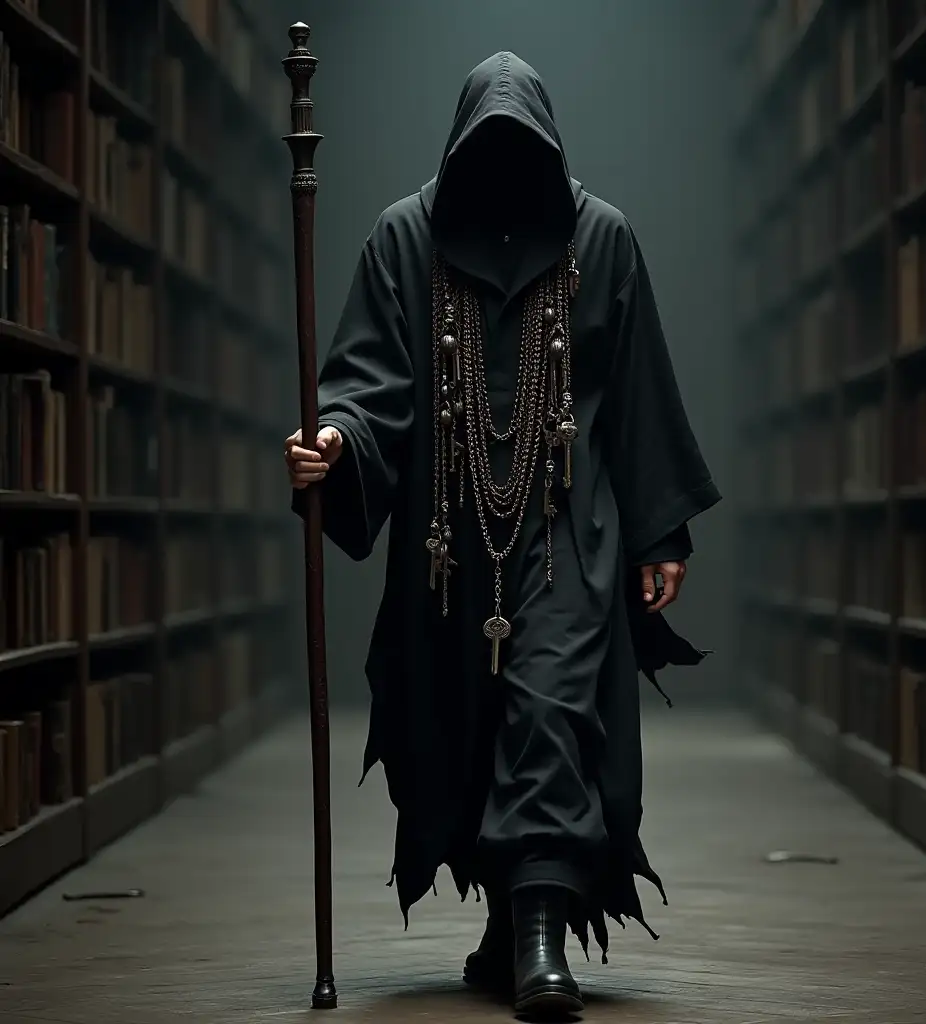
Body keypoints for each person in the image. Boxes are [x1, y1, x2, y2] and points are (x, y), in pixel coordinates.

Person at [286, 51, 720, 1017]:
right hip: (448, 542)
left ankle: (539, 940)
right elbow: (369, 380)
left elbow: (638, 391)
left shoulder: (601, 239)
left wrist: (660, 533)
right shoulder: (405, 239)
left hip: (571, 527)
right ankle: (508, 920)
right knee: (467, 722)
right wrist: (338, 438)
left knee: (550, 706)